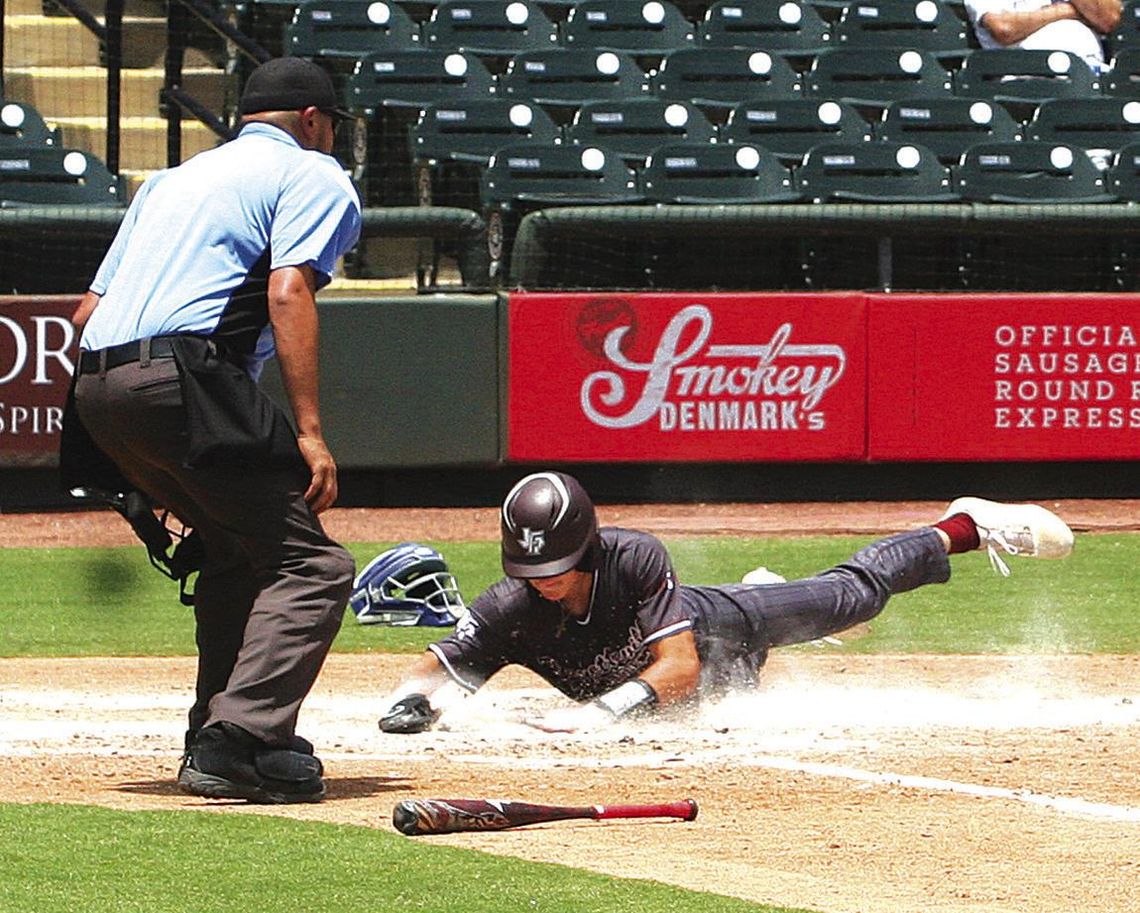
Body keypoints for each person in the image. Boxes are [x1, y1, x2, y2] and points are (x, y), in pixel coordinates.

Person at [63, 57, 362, 803]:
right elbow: (289, 290)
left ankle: (219, 731)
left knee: (238, 550)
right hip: (183, 377)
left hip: (97, 387)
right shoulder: (312, 172)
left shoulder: (167, 180)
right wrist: (312, 432)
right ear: (313, 121)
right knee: (312, 566)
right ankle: (238, 738)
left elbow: (84, 316)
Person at [378, 471, 1074, 735]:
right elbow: (444, 661)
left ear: (585, 547)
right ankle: (766, 585)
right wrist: (414, 700)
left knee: (850, 599)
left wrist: (601, 712)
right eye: (532, 569)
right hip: (709, 691)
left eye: (556, 565)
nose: (544, 580)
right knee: (739, 684)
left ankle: (962, 526)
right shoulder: (510, 605)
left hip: (715, 628)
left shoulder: (635, 556)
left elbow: (676, 665)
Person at [963, 0, 1122, 73]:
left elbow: (1109, 18)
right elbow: (1004, 28)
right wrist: (1068, 11)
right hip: (1031, 75)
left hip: (1089, 71)